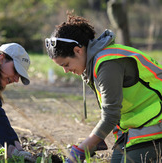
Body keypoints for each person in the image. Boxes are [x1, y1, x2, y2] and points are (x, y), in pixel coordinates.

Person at [45, 13, 162, 163]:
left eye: (66, 64)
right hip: (138, 127)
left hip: (155, 124)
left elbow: (110, 115)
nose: (66, 71)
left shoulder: (107, 64)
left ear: (78, 50)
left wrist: (83, 149)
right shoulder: (95, 62)